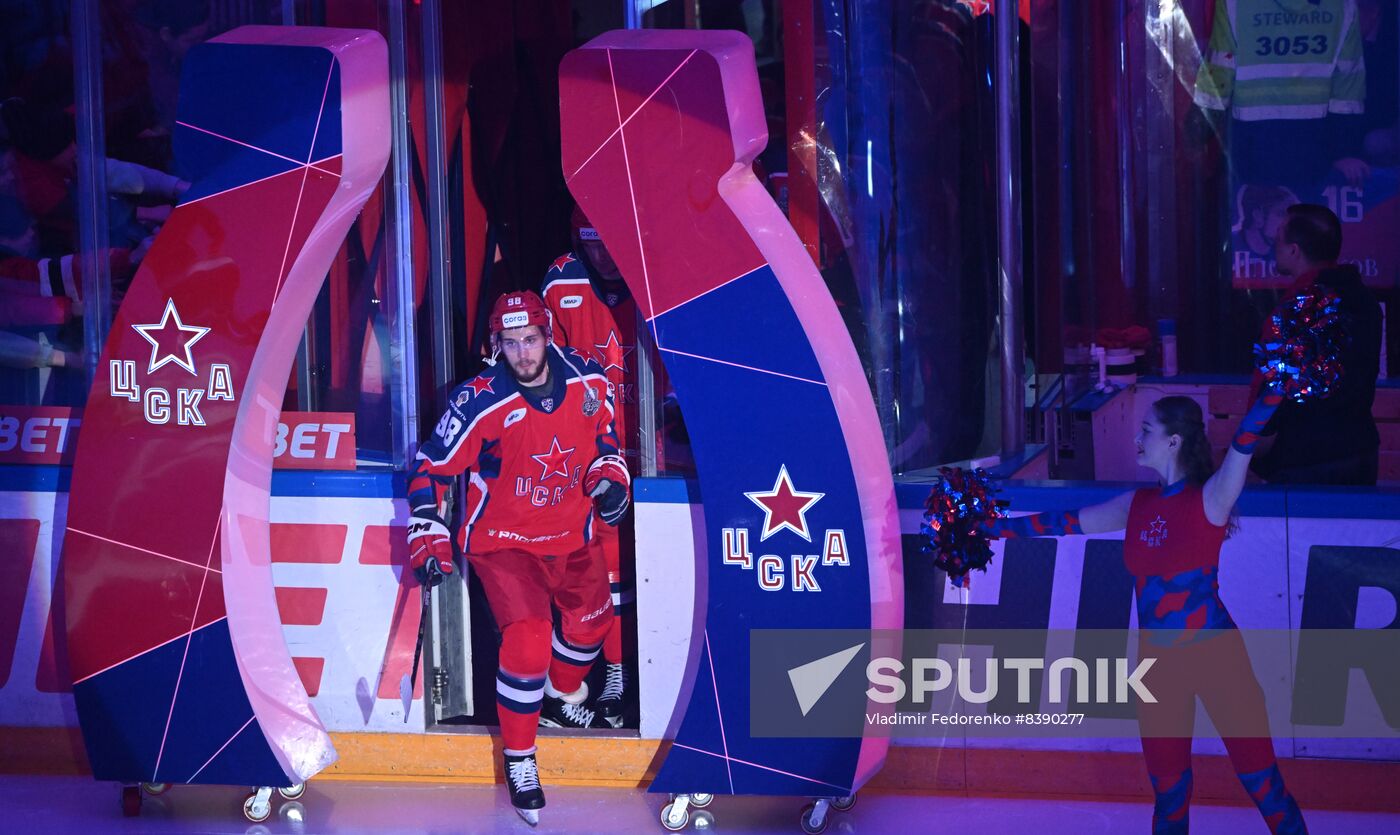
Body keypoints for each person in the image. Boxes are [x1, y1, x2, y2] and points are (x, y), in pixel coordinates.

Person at [979, 394, 1307, 834]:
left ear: (1173, 441)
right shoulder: (1136, 505)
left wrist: (1276, 387)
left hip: (1219, 660)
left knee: (1263, 784)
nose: (1136, 437)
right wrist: (985, 527)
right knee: (1169, 796)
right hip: (1158, 669)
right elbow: (1062, 523)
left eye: (1146, 430)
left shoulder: (1211, 498)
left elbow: (1244, 440)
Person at [405, 290, 631, 825]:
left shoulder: (590, 381)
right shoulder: (479, 399)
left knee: (593, 627)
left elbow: (607, 444)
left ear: (548, 335)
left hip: (572, 535)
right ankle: (521, 758)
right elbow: (430, 467)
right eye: (511, 343)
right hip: (504, 543)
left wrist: (611, 480)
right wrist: (426, 526)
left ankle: (556, 699)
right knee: (528, 639)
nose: (523, 354)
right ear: (497, 344)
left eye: (530, 339)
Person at [540, 207, 640, 728]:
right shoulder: (560, 280)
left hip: (653, 451)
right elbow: (544, 369)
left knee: (634, 568)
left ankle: (626, 674)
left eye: (609, 240)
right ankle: (610, 676)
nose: (601, 253)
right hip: (589, 454)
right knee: (601, 570)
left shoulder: (654, 265)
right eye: (589, 241)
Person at [1250, 203, 1382, 485]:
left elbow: (1274, 387)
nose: (1275, 246)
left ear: (1294, 250)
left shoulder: (1297, 307)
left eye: (1278, 240)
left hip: (1304, 459)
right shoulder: (1365, 301)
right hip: (1360, 451)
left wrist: (1252, 443)